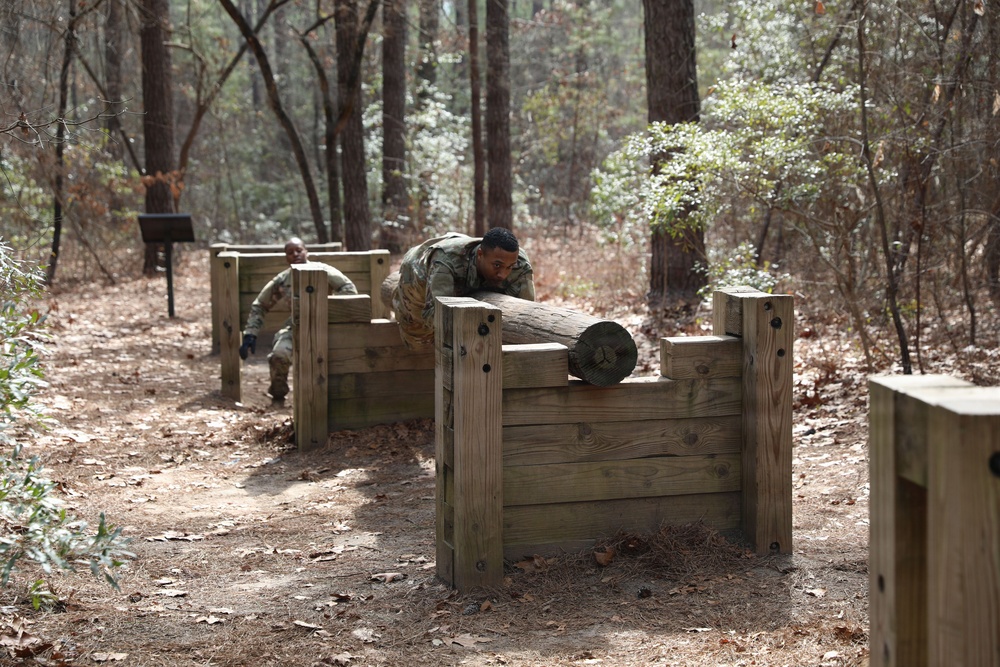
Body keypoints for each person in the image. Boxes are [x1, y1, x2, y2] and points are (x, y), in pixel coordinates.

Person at [239, 238, 357, 401]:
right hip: (297, 325)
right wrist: (250, 334)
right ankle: (278, 393)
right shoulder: (283, 279)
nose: (295, 254)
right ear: (286, 257)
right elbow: (260, 304)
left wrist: (329, 310)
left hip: (327, 324)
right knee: (279, 355)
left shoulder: (323, 271)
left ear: (306, 251)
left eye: (299, 250)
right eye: (290, 252)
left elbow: (349, 289)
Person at [391, 227, 535, 349]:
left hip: (463, 269)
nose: (503, 274)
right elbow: (437, 315)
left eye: (509, 267)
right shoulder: (445, 261)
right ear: (480, 255)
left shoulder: (519, 263)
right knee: (420, 343)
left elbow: (526, 313)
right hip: (418, 275)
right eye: (497, 265)